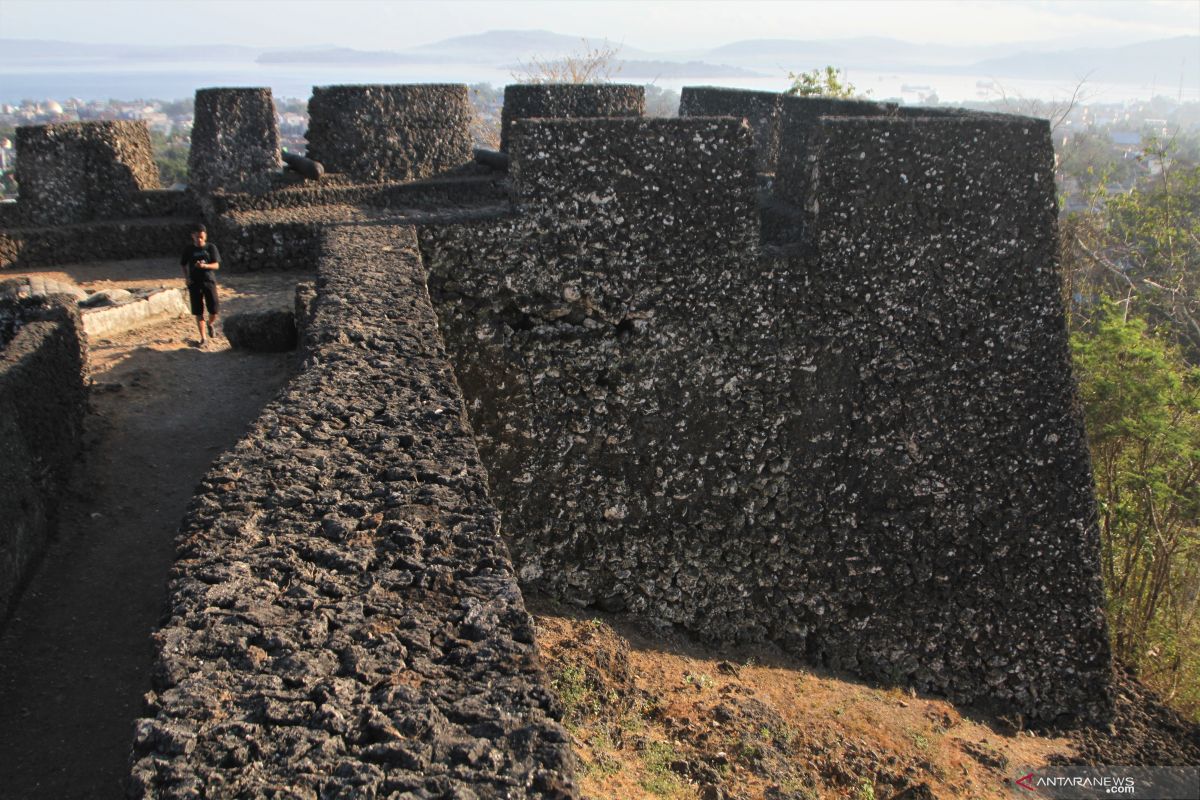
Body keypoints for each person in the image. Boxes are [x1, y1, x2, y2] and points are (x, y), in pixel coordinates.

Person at [180, 223, 220, 346]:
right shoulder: (188, 250)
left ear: (205, 236)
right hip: (194, 283)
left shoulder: (211, 248)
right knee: (198, 311)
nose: (199, 239)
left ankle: (210, 323)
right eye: (197, 237)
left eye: (201, 237)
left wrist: (205, 266)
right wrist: (187, 278)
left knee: (214, 311)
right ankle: (203, 338)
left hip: (209, 282)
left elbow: (216, 265)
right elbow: (183, 264)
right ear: (193, 236)